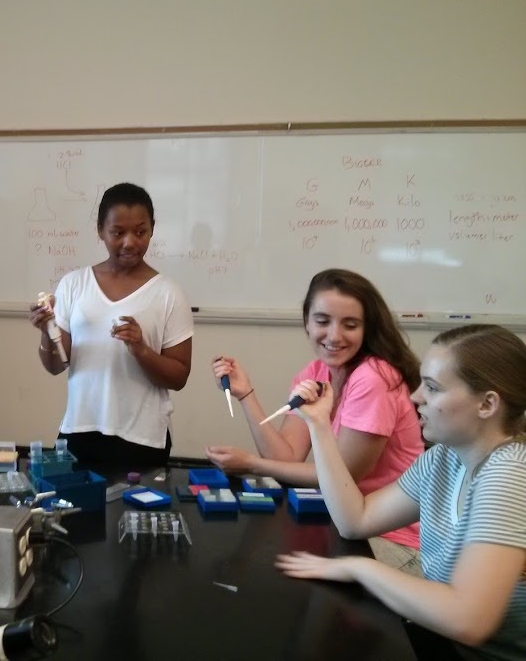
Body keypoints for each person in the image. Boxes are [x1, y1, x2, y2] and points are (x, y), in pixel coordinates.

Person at [277, 325, 526, 660]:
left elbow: (469, 619)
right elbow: (356, 520)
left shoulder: (510, 472)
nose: (415, 396)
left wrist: (361, 569)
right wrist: (319, 426)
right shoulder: (444, 458)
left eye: (433, 388)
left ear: (487, 404)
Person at [207, 268, 423, 562]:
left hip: (390, 537)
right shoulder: (314, 374)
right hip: (347, 522)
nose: (334, 335)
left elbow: (341, 477)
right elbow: (286, 458)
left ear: (367, 329)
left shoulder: (374, 377)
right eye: (322, 321)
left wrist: (252, 464)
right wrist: (246, 394)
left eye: (350, 324)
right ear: (307, 322)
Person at [29, 182, 193, 469]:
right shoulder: (74, 284)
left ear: (152, 228)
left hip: (142, 438)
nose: (129, 242)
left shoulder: (169, 293)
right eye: (118, 232)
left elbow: (178, 377)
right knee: (74, 512)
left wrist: (141, 349)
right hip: (80, 430)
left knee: (136, 514)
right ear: (100, 230)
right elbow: (56, 365)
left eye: (140, 232)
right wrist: (47, 332)